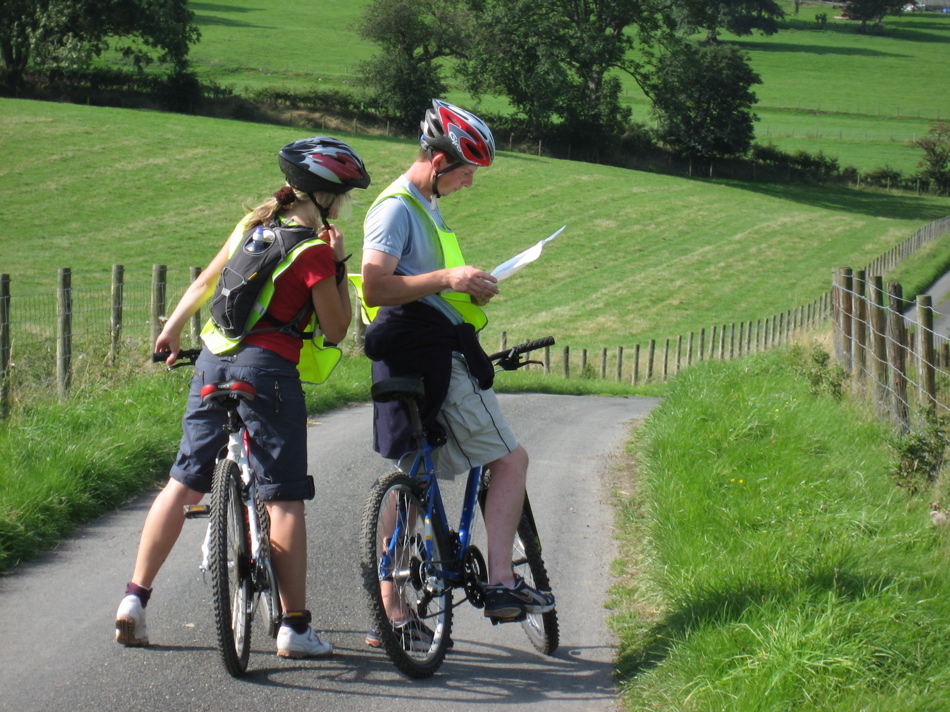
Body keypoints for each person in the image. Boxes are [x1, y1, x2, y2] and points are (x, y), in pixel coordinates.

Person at [115, 136, 371, 659]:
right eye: (342, 195)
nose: (343, 204)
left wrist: (174, 328)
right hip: (268, 370)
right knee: (283, 496)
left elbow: (208, 281)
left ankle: (134, 601)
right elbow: (338, 328)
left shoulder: (252, 227)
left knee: (183, 482)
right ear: (324, 197)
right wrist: (341, 263)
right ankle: (294, 627)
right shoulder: (314, 250)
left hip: (212, 358)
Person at [360, 99, 555, 648]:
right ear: (440, 159)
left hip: (412, 352)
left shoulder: (422, 205)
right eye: (467, 170)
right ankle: (500, 582)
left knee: (411, 476)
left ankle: (393, 612)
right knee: (510, 459)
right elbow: (375, 286)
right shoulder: (397, 208)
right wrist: (450, 277)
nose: (470, 182)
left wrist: (465, 283)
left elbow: (421, 280)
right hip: (430, 353)